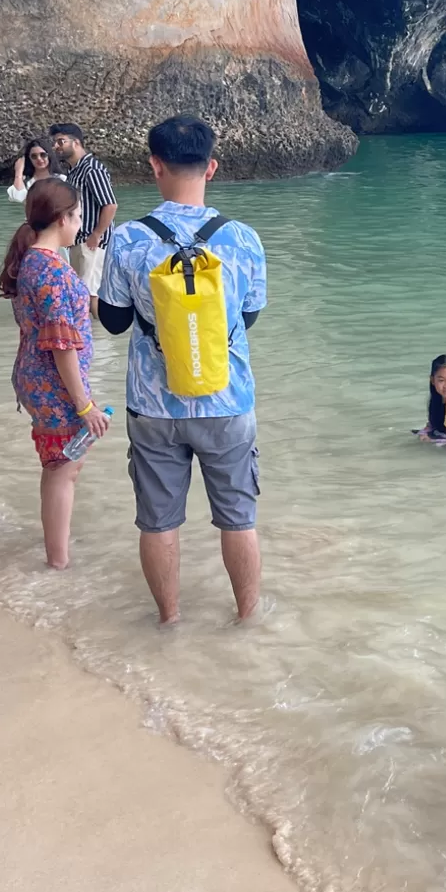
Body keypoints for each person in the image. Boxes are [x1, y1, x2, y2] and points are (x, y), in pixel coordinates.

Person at [97, 116, 267, 625]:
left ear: (155, 164)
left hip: (152, 405)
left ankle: (169, 621)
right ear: (211, 166)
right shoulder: (242, 239)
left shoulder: (127, 239)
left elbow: (112, 320)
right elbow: (249, 316)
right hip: (227, 400)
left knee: (158, 523)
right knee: (238, 520)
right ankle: (247, 619)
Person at [0, 179, 111, 569]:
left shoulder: (33, 261)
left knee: (56, 466)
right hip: (55, 385)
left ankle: (54, 546)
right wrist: (85, 406)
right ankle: (58, 562)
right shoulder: (53, 272)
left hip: (34, 377)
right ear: (62, 218)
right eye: (78, 216)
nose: (81, 224)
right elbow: (62, 345)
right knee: (65, 470)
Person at [48, 122, 117, 309]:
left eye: (60, 142)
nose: (56, 147)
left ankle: (100, 337)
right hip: (78, 241)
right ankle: (90, 335)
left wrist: (97, 235)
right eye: (55, 143)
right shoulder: (74, 171)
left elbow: (110, 205)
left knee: (90, 293)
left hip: (92, 242)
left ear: (76, 142)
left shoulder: (91, 169)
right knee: (81, 294)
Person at [7, 136, 59, 204]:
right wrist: (19, 172)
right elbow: (17, 199)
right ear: (29, 159)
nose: (39, 159)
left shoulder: (61, 179)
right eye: (34, 156)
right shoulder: (26, 182)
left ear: (49, 156)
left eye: (43, 155)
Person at [416, 353, 446, 444]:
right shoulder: (437, 401)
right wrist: (425, 432)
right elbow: (432, 425)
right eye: (441, 380)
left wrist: (433, 440)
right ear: (432, 380)